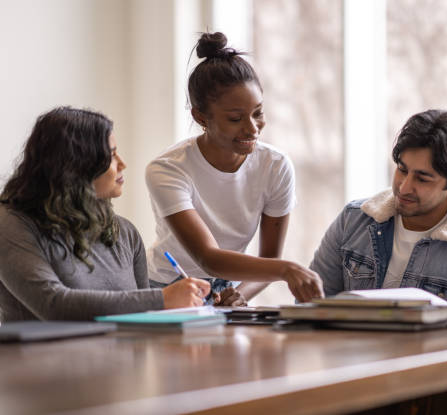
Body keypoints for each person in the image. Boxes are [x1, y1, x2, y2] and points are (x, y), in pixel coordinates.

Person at [145, 32, 323, 303]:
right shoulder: (167, 169)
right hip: (167, 289)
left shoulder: (275, 167)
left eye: (258, 113)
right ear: (200, 116)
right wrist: (288, 269)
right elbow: (208, 258)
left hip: (223, 289)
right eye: (235, 118)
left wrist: (239, 294)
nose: (252, 128)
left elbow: (268, 258)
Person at [0, 107, 212, 322]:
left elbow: (144, 317)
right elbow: (53, 305)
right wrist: (162, 299)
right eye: (111, 155)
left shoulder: (125, 232)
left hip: (121, 355)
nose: (122, 163)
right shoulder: (11, 223)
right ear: (76, 164)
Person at [310, 109, 447, 312]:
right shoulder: (352, 221)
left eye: (422, 178)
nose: (404, 187)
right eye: (402, 169)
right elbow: (311, 306)